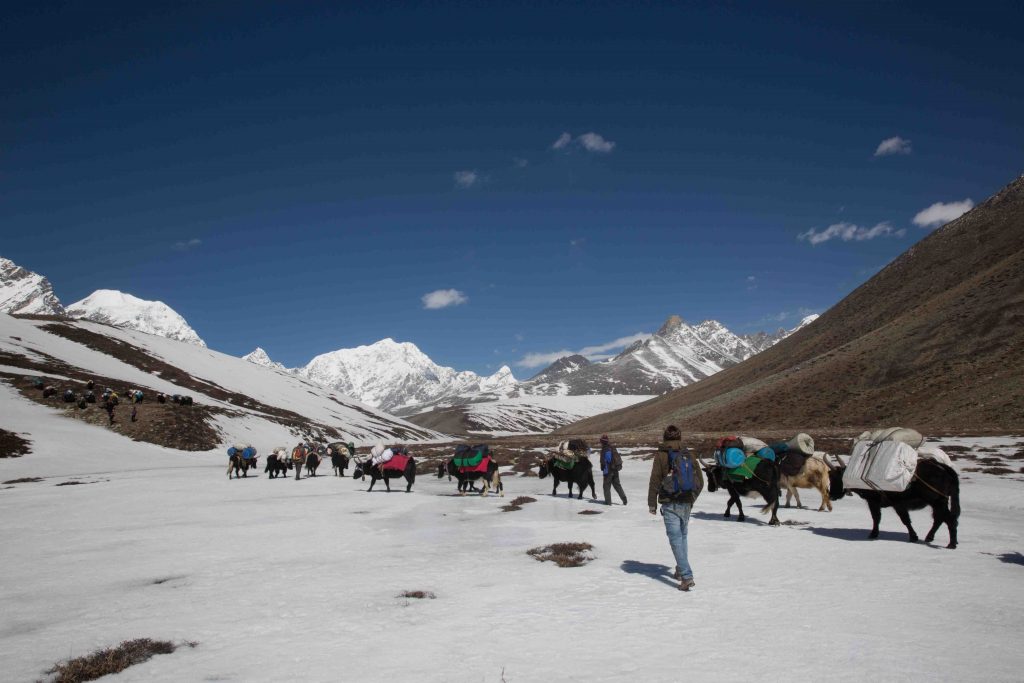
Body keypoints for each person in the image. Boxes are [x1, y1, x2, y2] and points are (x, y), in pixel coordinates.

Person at [648, 425, 703, 592]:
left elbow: (655, 480)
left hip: (669, 501)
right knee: (683, 537)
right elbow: (700, 482)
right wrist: (691, 499)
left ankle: (686, 576)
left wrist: (652, 503)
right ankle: (680, 570)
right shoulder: (689, 454)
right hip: (686, 501)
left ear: (665, 437)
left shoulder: (661, 455)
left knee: (675, 539)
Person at [598, 435, 627, 505]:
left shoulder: (605, 449)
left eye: (601, 441)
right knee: (617, 485)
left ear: (602, 442)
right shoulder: (612, 447)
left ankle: (608, 502)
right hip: (615, 470)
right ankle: (624, 499)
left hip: (608, 471)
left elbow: (608, 460)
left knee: (606, 487)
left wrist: (604, 465)